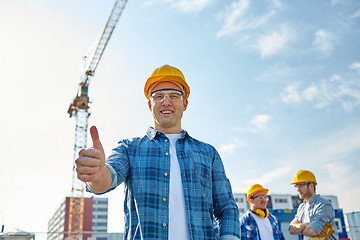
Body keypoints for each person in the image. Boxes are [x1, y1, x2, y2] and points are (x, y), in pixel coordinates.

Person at [75, 64, 240, 240]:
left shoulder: (209, 154)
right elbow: (106, 179)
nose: (166, 102)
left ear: (185, 104)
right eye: (158, 96)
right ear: (149, 104)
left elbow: (227, 208)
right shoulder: (129, 149)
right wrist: (96, 175)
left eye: (174, 96)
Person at [289, 170, 338, 240]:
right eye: (296, 186)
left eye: (301, 185)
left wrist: (300, 229)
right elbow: (292, 230)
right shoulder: (301, 207)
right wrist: (307, 224)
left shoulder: (323, 205)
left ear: (311, 186)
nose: (297, 189)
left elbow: (311, 231)